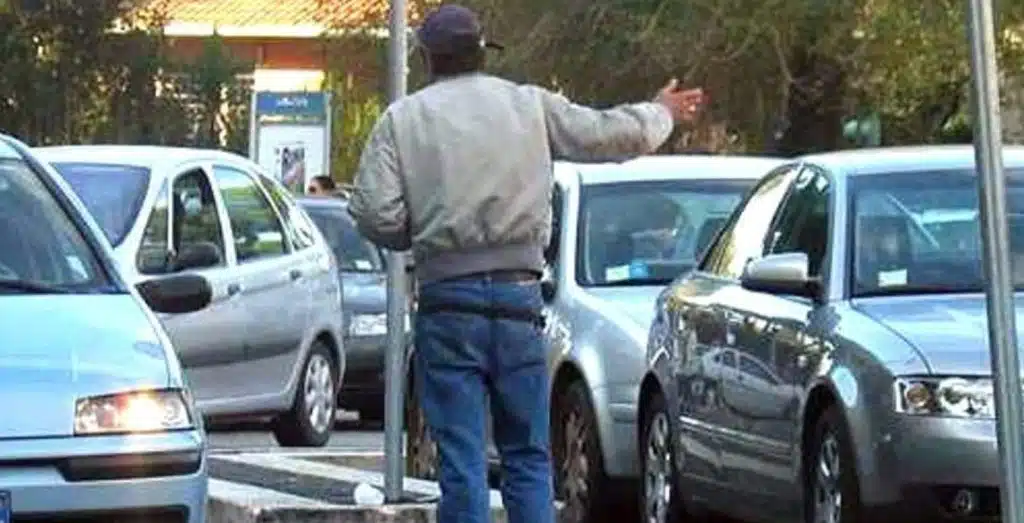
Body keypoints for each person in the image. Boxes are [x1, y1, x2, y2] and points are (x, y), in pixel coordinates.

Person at [347, 5, 705, 523]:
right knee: (527, 455)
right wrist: (660, 112)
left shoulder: (402, 120)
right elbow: (605, 135)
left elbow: (372, 210)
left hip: (447, 301)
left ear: (427, 59)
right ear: (482, 52)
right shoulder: (529, 106)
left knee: (463, 460)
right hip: (519, 297)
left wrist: (423, 235)